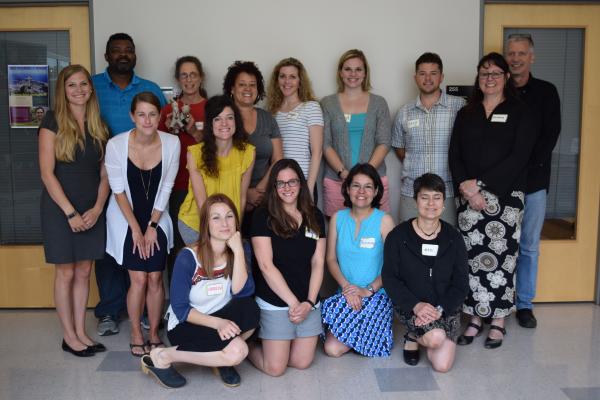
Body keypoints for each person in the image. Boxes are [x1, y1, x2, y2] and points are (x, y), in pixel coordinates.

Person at [449, 52, 536, 349]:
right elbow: (455, 154)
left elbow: (519, 156)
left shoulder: (520, 111)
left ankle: (497, 321)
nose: (489, 79)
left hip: (505, 197)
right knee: (472, 260)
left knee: (502, 259)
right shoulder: (467, 111)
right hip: (468, 198)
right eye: (484, 73)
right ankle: (474, 318)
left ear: (506, 77)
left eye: (495, 73)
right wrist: (467, 188)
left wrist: (482, 186)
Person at [141, 194, 260, 388]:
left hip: (221, 316)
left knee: (251, 311)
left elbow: (242, 293)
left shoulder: (241, 248)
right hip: (187, 323)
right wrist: (218, 323)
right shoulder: (188, 258)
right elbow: (180, 309)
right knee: (238, 351)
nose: (225, 223)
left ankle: (219, 356)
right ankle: (162, 356)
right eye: (216, 217)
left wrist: (238, 252)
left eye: (229, 216)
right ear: (206, 224)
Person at [92, 32, 167, 336]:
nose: (123, 55)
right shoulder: (93, 86)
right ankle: (110, 309)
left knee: (146, 247)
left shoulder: (149, 89)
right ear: (107, 56)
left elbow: (165, 126)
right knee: (110, 245)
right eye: (116, 51)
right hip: (100, 172)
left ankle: (148, 311)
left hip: (144, 175)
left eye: (128, 50)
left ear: (135, 55)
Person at [38, 64, 109, 357]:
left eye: (83, 84)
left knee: (84, 270)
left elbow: (106, 174)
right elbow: (46, 173)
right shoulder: (52, 122)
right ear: (63, 91)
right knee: (66, 272)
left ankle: (81, 332)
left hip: (91, 208)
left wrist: (97, 208)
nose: (79, 90)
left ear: (90, 89)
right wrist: (70, 213)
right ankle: (69, 336)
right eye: (72, 85)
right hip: (60, 210)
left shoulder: (98, 124)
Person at [104, 92, 180, 356]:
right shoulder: (115, 145)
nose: (147, 120)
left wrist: (152, 226)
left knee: (156, 277)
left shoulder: (172, 142)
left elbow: (168, 186)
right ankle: (136, 332)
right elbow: (117, 191)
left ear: (160, 116)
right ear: (132, 116)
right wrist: (136, 229)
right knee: (138, 278)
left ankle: (154, 332)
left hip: (157, 216)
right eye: (141, 114)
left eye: (152, 114)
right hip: (126, 218)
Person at [382, 173, 469, 372]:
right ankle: (413, 334)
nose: (431, 203)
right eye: (424, 197)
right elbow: (390, 278)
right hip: (411, 305)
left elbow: (461, 282)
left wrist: (440, 309)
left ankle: (418, 335)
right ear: (415, 201)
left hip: (446, 306)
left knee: (442, 366)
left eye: (437, 197)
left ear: (444, 203)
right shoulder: (398, 236)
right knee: (436, 337)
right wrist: (417, 305)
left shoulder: (454, 237)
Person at [248, 159, 325, 376]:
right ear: (274, 187)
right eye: (280, 183)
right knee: (275, 368)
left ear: (301, 184)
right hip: (276, 301)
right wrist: (294, 304)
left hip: (308, 301)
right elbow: (265, 265)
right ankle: (247, 347)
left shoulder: (314, 215)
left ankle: (280, 341)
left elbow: (318, 262)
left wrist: (309, 302)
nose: (287, 188)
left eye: (292, 181)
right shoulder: (262, 216)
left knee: (301, 362)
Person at [505, 33, 561, 329]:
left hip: (534, 184)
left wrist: (521, 169)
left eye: (521, 53)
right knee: (500, 245)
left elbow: (550, 136)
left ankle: (524, 304)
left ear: (532, 57)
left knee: (528, 247)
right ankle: (498, 303)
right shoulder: (499, 90)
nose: (515, 58)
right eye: (511, 53)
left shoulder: (546, 92)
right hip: (501, 184)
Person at [321, 163, 395, 357]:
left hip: (376, 294)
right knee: (332, 349)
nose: (361, 192)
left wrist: (368, 290)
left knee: (368, 346)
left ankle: (360, 332)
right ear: (347, 189)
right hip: (346, 294)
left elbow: (394, 265)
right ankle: (359, 333)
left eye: (368, 186)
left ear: (376, 191)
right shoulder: (338, 218)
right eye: (356, 185)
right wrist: (347, 288)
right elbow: (330, 259)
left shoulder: (384, 220)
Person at [392, 52, 466, 225]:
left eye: (433, 73)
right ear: (415, 77)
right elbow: (400, 149)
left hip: (447, 192)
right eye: (422, 73)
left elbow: (468, 147)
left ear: (441, 77)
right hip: (412, 193)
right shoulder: (404, 112)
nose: (427, 78)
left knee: (446, 243)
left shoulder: (459, 107)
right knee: (409, 242)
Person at [321, 49, 391, 217]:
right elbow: (325, 144)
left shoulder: (379, 103)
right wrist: (344, 173)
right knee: (338, 234)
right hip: (337, 181)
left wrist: (366, 176)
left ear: (365, 73)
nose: (353, 74)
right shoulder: (327, 103)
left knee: (374, 232)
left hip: (373, 182)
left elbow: (384, 142)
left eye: (358, 69)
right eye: (348, 69)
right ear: (340, 72)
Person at [178, 95, 255, 245]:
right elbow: (202, 203)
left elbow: (242, 198)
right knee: (209, 267)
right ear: (210, 124)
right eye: (217, 119)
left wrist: (234, 231)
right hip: (197, 223)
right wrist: (215, 237)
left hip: (229, 225)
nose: (224, 123)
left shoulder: (248, 153)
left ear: (236, 121)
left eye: (229, 118)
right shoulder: (195, 153)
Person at [158, 56, 207, 280]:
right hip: (176, 184)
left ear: (201, 77)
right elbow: (156, 148)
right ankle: (178, 302)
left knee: (205, 240)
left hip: (206, 184)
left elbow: (216, 150)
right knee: (178, 245)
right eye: (184, 75)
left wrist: (194, 132)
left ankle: (205, 296)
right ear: (178, 79)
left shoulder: (212, 107)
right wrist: (168, 131)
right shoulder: (169, 109)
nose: (189, 80)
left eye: (193, 74)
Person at [222, 61, 283, 238]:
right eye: (242, 84)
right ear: (232, 88)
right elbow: (218, 159)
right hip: (229, 195)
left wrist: (258, 192)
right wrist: (244, 193)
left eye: (252, 85)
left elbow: (278, 160)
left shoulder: (267, 119)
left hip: (263, 199)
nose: (247, 89)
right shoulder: (223, 118)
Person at [267, 58, 323, 199]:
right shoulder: (271, 112)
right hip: (278, 184)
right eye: (282, 76)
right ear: (277, 80)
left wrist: (308, 188)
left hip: (302, 181)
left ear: (300, 81)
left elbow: (317, 152)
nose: (287, 81)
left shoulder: (311, 107)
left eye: (292, 77)